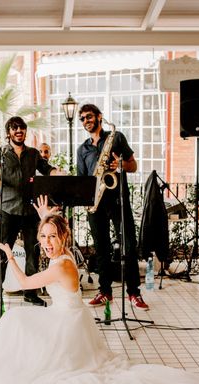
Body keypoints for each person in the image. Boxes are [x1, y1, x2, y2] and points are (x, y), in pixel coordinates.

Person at [0, 196, 199, 384]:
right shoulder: (64, 254)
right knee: (21, 321)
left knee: (15, 317)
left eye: (52, 237)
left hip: (66, 325)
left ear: (63, 237)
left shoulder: (61, 266)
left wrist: (10, 255)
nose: (47, 242)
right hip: (71, 320)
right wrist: (47, 217)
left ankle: (18, 370)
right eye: (43, 237)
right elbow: (52, 237)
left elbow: (24, 282)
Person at [0, 116, 65, 309]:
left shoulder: (33, 153)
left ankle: (31, 293)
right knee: (2, 253)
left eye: (22, 128)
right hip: (7, 209)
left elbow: (47, 169)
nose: (19, 131)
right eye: (15, 128)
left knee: (33, 252)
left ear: (25, 131)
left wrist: (58, 173)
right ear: (9, 132)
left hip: (30, 209)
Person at [76, 104, 148, 310]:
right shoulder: (83, 149)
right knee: (101, 250)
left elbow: (133, 165)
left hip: (118, 200)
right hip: (96, 203)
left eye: (88, 117)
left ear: (99, 117)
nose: (85, 121)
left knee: (129, 246)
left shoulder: (116, 138)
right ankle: (105, 291)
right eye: (82, 119)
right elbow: (83, 180)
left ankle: (134, 293)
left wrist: (121, 165)